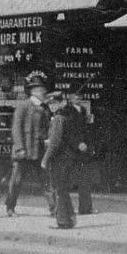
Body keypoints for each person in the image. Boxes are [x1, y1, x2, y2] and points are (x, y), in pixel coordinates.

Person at [5, 71, 51, 217]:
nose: (43, 92)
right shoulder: (23, 106)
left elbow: (47, 128)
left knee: (46, 181)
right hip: (24, 151)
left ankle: (54, 208)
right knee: (16, 181)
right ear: (33, 91)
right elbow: (16, 129)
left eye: (43, 89)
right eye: (40, 89)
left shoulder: (45, 108)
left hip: (39, 151)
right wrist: (19, 148)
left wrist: (47, 140)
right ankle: (10, 207)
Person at [40, 91, 83, 230]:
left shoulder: (58, 118)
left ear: (61, 103)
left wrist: (45, 159)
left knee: (59, 190)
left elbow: (55, 142)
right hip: (67, 157)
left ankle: (63, 221)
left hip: (60, 159)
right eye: (50, 104)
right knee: (63, 189)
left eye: (54, 103)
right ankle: (69, 218)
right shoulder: (66, 116)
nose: (52, 106)